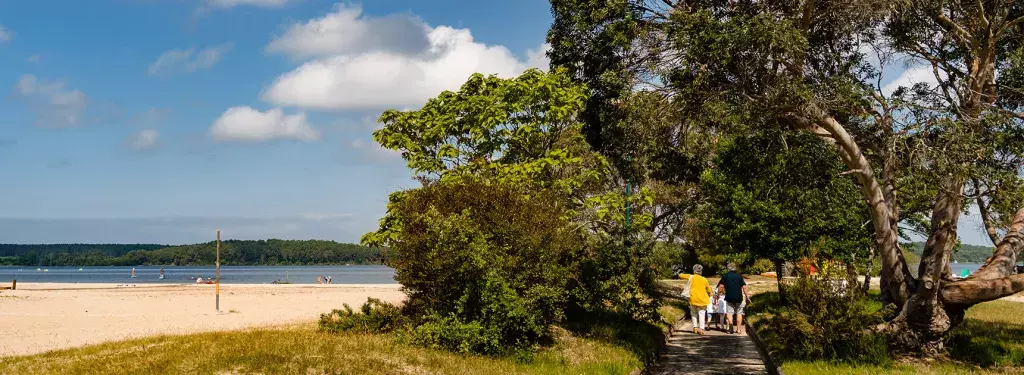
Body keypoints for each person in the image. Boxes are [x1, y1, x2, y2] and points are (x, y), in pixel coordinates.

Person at [718, 262, 750, 334]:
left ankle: (731, 324)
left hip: (729, 297)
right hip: (739, 297)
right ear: (735, 268)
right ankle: (738, 329)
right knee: (739, 313)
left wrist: (717, 294)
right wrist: (747, 296)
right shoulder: (739, 276)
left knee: (729, 312)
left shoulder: (725, 276)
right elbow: (744, 287)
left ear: (728, 268)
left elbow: (721, 286)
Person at [687, 264, 714, 335]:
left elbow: (681, 275)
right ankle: (701, 329)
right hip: (702, 300)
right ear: (701, 271)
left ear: (694, 270)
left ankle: (695, 328)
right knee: (702, 314)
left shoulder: (691, 277)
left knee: (694, 313)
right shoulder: (704, 279)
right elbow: (709, 290)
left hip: (693, 298)